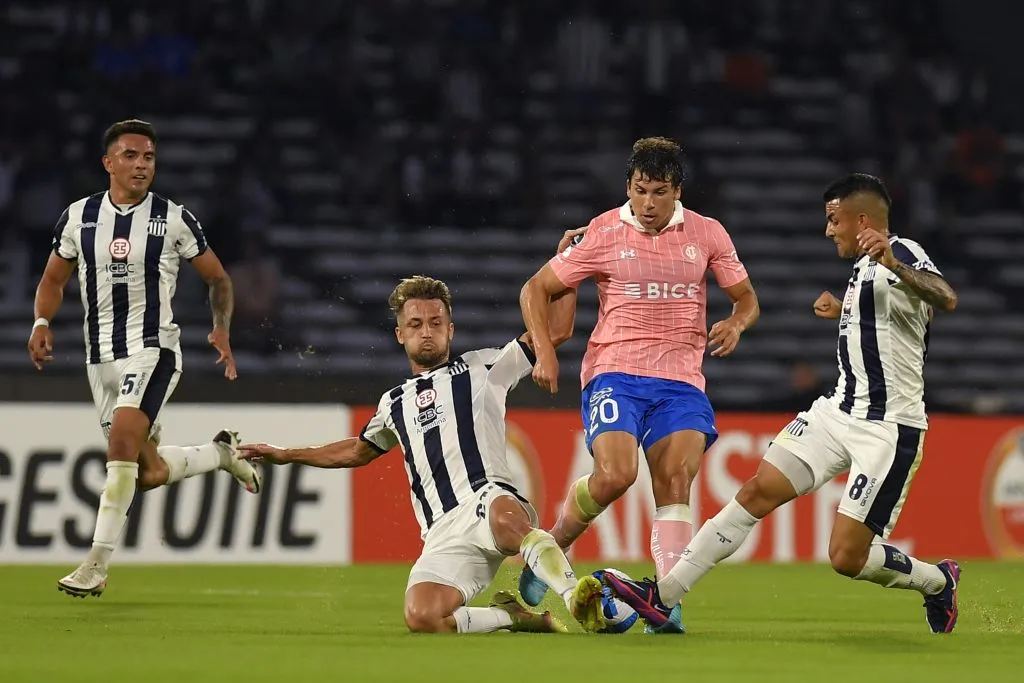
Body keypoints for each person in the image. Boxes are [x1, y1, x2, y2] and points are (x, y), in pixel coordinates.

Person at [601, 173, 962, 634]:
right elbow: (891, 327)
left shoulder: (901, 251)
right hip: (837, 412)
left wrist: (894, 262)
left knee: (846, 557)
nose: (828, 230)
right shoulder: (862, 270)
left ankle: (938, 581)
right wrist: (845, 309)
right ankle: (663, 596)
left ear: (862, 221)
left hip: (888, 427)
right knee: (756, 491)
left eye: (834, 220)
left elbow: (945, 297)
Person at [238, 275, 606, 634]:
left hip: (489, 499)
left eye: (435, 322)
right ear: (400, 334)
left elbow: (556, 331)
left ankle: (574, 597)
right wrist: (286, 454)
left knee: (505, 519)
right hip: (443, 532)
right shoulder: (393, 403)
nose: (426, 332)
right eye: (415, 324)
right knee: (422, 616)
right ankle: (512, 617)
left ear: (451, 330)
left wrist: (567, 273)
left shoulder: (483, 368)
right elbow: (355, 450)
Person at [519, 136, 759, 633]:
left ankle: (667, 604)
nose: (648, 203)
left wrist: (737, 323)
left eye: (659, 192)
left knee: (675, 483)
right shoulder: (603, 231)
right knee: (616, 476)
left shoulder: (708, 233)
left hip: (681, 382)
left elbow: (747, 299)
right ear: (628, 186)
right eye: (640, 190)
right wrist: (544, 350)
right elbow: (536, 288)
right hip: (615, 372)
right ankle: (556, 542)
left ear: (678, 191)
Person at [28, 119, 261, 598]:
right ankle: (220, 453)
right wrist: (41, 322)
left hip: (153, 349)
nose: (141, 165)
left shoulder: (173, 218)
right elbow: (53, 279)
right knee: (147, 472)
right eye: (131, 156)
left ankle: (95, 565)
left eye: (149, 157)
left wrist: (221, 326)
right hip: (100, 360)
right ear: (108, 163)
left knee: (120, 445)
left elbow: (218, 278)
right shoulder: (78, 217)